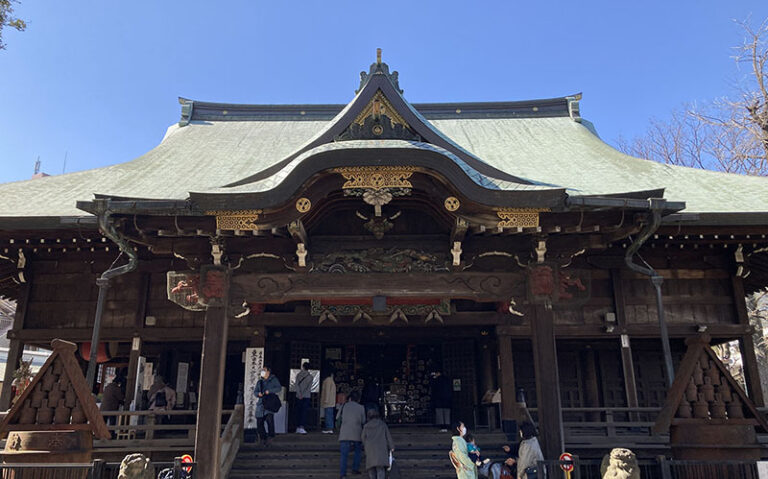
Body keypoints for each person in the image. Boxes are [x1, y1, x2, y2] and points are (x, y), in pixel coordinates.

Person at [338, 390, 366, 478]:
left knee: (344, 454)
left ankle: (343, 474)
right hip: (357, 432)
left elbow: (338, 417)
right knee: (358, 452)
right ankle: (355, 469)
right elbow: (363, 421)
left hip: (345, 433)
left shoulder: (344, 406)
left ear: (350, 398)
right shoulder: (361, 408)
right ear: (358, 399)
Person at [361, 408, 394, 479]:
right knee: (380, 469)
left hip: (370, 450)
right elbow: (388, 436)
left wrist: (366, 445)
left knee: (371, 469)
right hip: (381, 449)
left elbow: (363, 437)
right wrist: (391, 447)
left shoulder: (366, 426)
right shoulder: (382, 424)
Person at [254, 366, 282, 446]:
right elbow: (255, 391)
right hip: (261, 403)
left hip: (269, 403)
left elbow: (279, 388)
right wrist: (258, 394)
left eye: (264, 370)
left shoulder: (273, 380)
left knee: (269, 420)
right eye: (262, 370)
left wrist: (269, 391)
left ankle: (271, 436)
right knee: (259, 422)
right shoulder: (259, 382)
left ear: (268, 372)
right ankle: (263, 438)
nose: (263, 371)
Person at [295, 361, 312, 434]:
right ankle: (302, 427)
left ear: (303, 367)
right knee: (304, 412)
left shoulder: (298, 375)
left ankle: (297, 426)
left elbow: (296, 385)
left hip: (298, 396)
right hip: (306, 396)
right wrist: (303, 394)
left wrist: (299, 394)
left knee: (298, 411)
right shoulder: (310, 377)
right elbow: (308, 388)